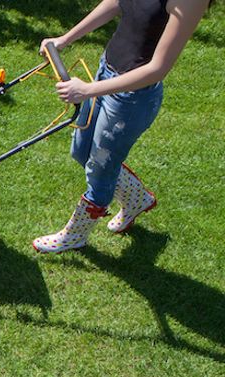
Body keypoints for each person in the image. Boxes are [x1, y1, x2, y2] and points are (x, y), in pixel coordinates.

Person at [32, 0, 213, 254]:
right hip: (105, 72)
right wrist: (65, 39)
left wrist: (88, 90)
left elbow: (157, 69)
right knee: (81, 151)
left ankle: (75, 236)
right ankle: (136, 199)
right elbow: (117, 2)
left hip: (131, 98)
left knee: (100, 169)